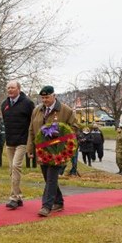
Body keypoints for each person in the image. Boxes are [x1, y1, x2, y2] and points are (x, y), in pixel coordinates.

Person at [29, 85, 77, 216]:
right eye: (43, 98)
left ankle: (46, 206)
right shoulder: (37, 110)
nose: (45, 100)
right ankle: (59, 201)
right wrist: (30, 148)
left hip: (57, 151)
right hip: (42, 150)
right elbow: (31, 130)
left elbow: (74, 128)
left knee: (51, 178)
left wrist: (59, 132)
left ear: (54, 96)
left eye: (47, 97)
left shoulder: (65, 110)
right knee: (48, 178)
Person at [1, 81, 35, 208]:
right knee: (12, 169)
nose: (10, 90)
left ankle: (14, 198)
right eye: (8, 87)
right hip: (10, 141)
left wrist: (31, 141)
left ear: (19, 89)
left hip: (23, 141)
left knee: (16, 166)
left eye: (12, 88)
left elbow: (33, 122)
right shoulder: (4, 104)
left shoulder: (27, 103)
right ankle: (18, 195)